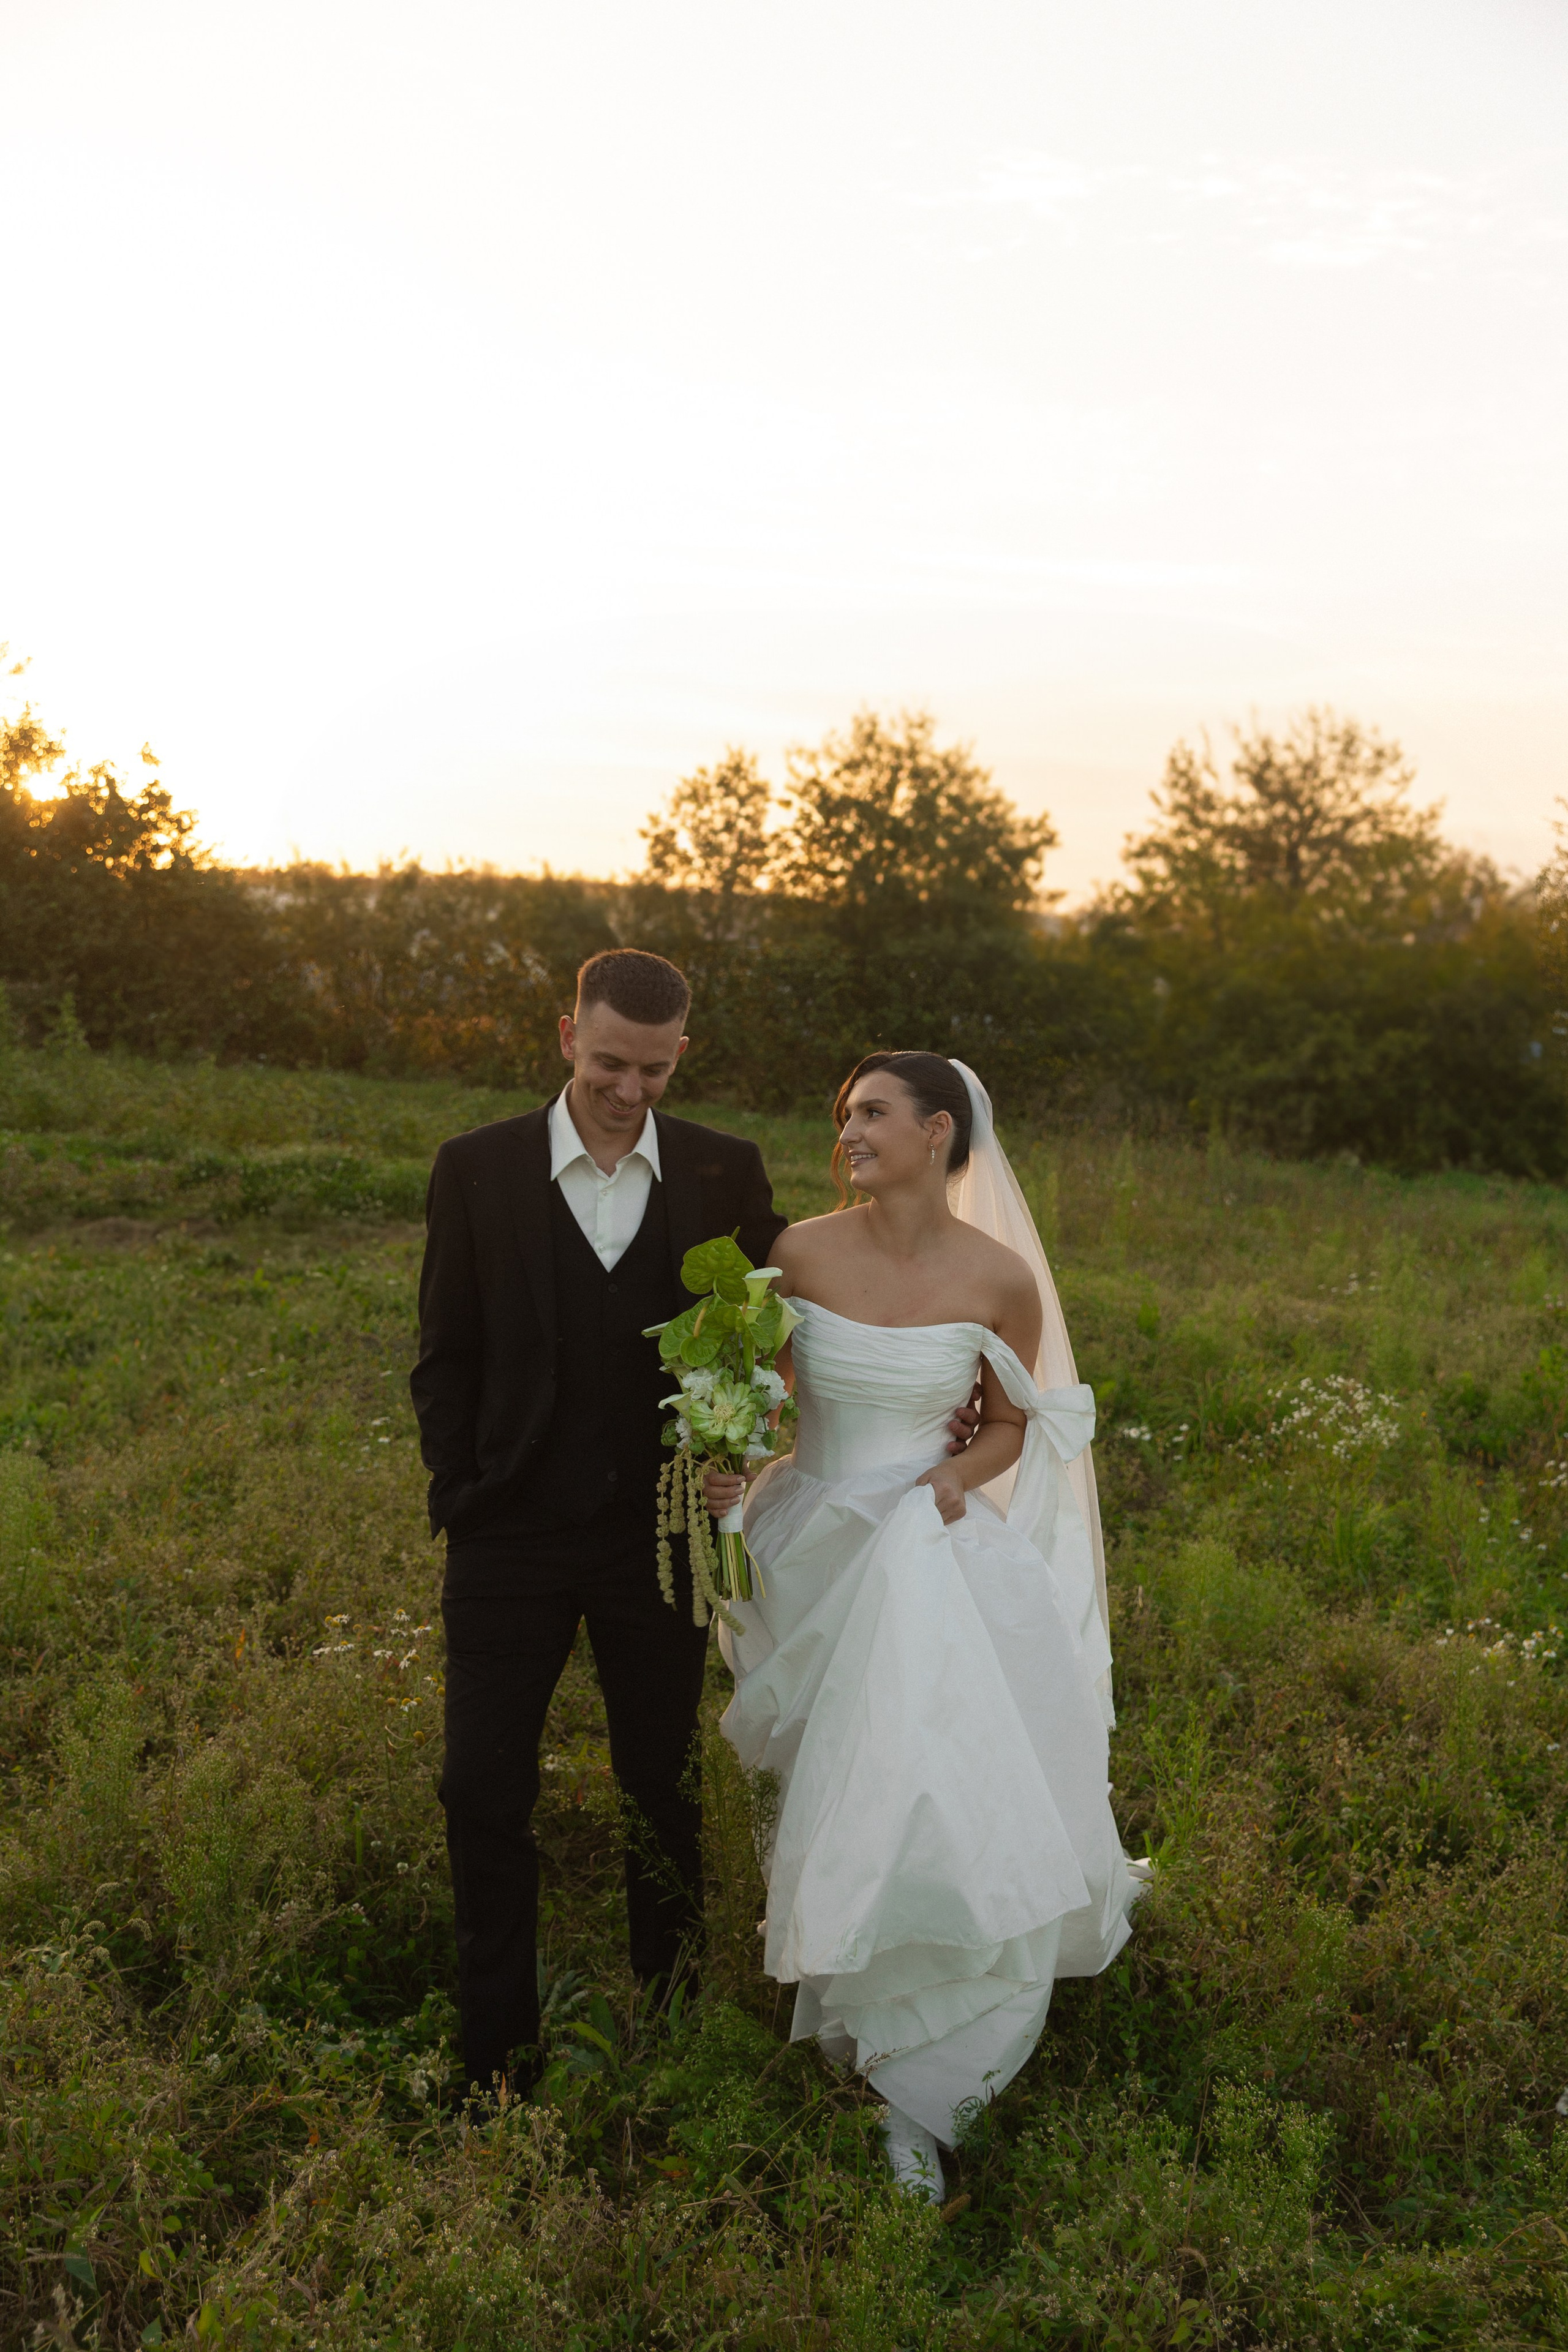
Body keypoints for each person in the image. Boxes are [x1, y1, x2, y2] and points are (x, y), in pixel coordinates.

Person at [705, 1051, 1147, 2201]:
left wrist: (960, 1480)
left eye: (871, 1113)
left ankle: (924, 2076)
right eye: (843, 1113)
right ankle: (854, 2000)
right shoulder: (798, 1252)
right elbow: (763, 1395)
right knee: (831, 1780)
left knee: (931, 1781)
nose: (847, 1131)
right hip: (812, 1537)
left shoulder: (1002, 1278)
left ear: (939, 1130)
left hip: (930, 1540)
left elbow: (1014, 1421)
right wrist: (732, 1457)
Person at [411, 948, 787, 2101]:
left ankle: (667, 2021)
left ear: (684, 1056)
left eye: (657, 1070)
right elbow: (446, 1356)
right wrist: (467, 1491)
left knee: (661, 1787)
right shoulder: (475, 1169)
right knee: (481, 1790)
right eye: (612, 1061)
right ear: (567, 1035)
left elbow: (772, 1339)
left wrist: (740, 1455)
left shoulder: (728, 1174)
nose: (630, 1090)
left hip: (661, 1539)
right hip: (508, 1537)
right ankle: (496, 2060)